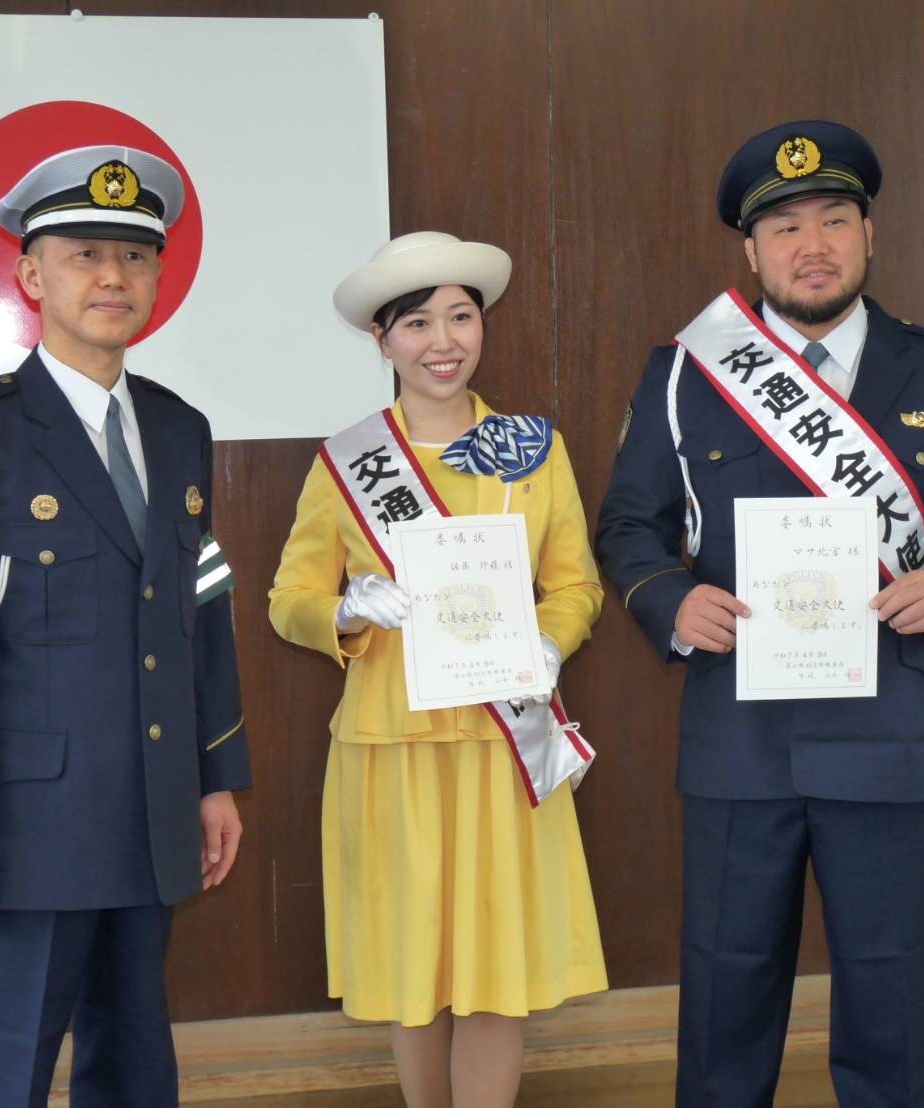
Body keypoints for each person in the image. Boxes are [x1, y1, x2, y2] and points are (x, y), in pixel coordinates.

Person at [596, 121, 924, 1106]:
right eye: (786, 226)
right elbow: (628, 527)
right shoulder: (684, 374)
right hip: (736, 734)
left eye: (834, 220)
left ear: (868, 235)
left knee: (886, 991)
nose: (814, 244)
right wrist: (673, 602)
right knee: (724, 987)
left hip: (887, 729)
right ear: (749, 251)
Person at [0, 143, 251, 1108]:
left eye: (133, 257)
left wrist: (215, 777)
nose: (110, 277)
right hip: (24, 828)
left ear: (158, 278)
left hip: (150, 806)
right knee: (8, 1070)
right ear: (30, 274)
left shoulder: (179, 428)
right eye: (84, 252)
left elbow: (200, 611)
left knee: (136, 1062)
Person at [269, 231, 607, 1108]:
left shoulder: (534, 449)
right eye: (416, 323)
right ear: (382, 342)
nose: (442, 341)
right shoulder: (345, 462)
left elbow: (575, 583)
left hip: (504, 745)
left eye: (461, 317)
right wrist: (343, 612)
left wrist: (551, 637)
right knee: (408, 964)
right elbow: (287, 596)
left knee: (499, 969)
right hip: (393, 749)